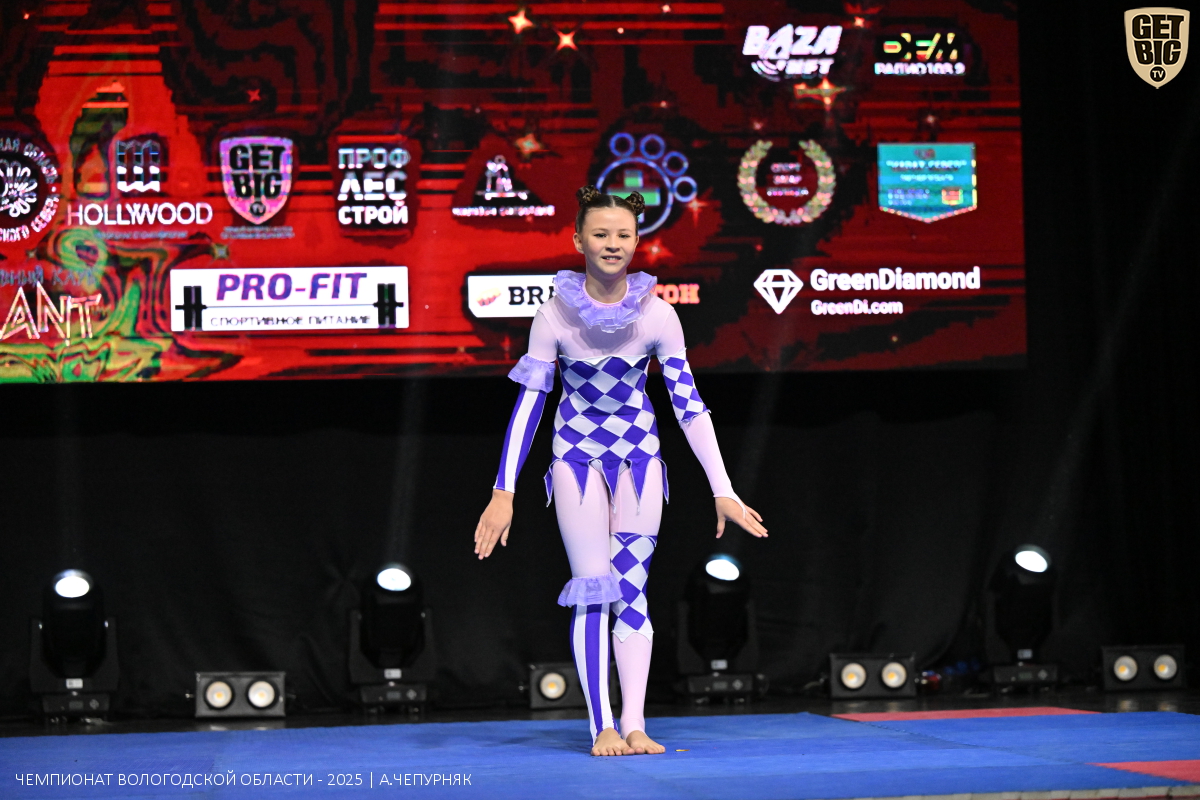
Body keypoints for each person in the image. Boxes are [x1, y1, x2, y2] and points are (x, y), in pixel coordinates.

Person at [474, 185, 767, 757]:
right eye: (601, 233)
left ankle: (634, 722)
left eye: (624, 234)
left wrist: (723, 489)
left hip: (639, 464)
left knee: (632, 592)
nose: (613, 244)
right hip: (576, 464)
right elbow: (529, 406)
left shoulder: (658, 314)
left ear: (638, 242)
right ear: (578, 239)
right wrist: (503, 490)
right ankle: (601, 726)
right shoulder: (553, 315)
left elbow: (688, 405)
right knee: (592, 590)